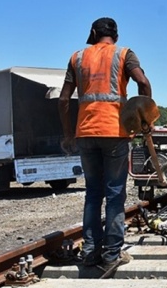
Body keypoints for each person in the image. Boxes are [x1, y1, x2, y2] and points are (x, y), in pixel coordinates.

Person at [58, 17, 152, 273]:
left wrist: (68, 133)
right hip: (114, 132)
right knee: (114, 195)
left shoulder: (77, 57)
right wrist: (146, 117)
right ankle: (111, 255)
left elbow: (64, 99)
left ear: (92, 33)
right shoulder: (124, 54)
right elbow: (142, 82)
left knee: (92, 194)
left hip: (85, 133)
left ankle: (90, 252)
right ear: (116, 35)